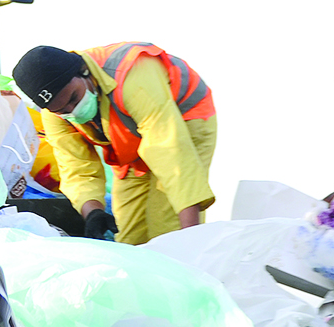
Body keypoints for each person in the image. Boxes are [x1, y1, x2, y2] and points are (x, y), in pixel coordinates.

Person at [11, 42, 215, 244]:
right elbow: (77, 168)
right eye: (63, 110)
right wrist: (93, 213)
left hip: (182, 121)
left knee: (167, 231)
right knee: (130, 240)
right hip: (130, 144)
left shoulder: (131, 75)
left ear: (84, 72)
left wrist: (189, 238)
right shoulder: (55, 114)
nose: (73, 110)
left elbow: (170, 153)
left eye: (74, 97)